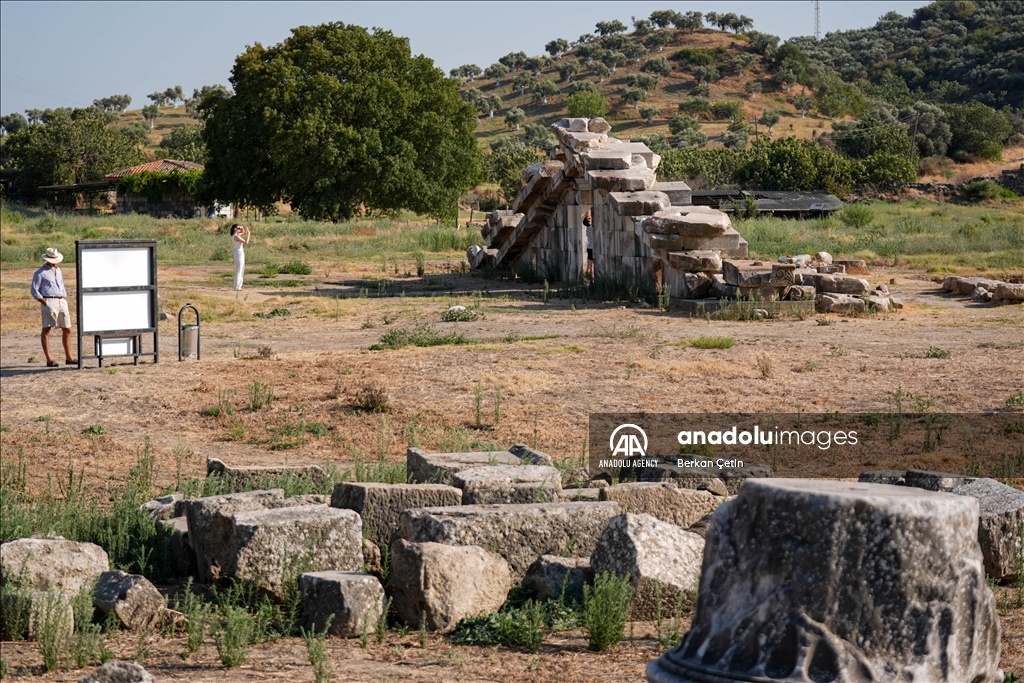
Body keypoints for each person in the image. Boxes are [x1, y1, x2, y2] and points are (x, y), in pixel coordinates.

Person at [31, 247, 76, 367]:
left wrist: (64, 298)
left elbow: (61, 284)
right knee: (47, 329)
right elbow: (34, 290)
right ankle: (49, 359)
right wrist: (45, 302)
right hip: (49, 300)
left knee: (67, 328)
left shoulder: (58, 270)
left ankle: (69, 357)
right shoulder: (40, 273)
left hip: (61, 300)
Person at [230, 224, 250, 291]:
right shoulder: (236, 237)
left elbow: (243, 232)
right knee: (239, 270)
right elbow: (246, 242)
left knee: (240, 269)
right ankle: (236, 287)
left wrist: (242, 228)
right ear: (235, 229)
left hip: (238, 252)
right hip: (239, 252)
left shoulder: (234, 236)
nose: (239, 229)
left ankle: (238, 286)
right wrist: (248, 234)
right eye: (238, 228)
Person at [583, 210, 595, 280]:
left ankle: (588, 278)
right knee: (591, 266)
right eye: (589, 219)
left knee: (589, 264)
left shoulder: (587, 229)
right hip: (592, 248)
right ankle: (591, 278)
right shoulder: (591, 229)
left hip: (589, 247)